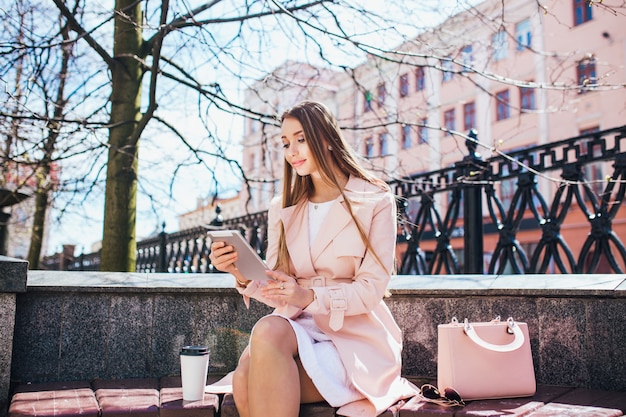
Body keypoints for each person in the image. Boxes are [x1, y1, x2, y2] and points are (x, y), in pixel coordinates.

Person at [208, 101, 417, 417]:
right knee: (260, 342)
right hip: (296, 330)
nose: (292, 150)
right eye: (286, 143)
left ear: (328, 138)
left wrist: (308, 296)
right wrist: (240, 273)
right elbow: (278, 284)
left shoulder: (374, 198)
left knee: (247, 378)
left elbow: (372, 288)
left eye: (301, 138)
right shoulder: (284, 207)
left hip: (353, 338)